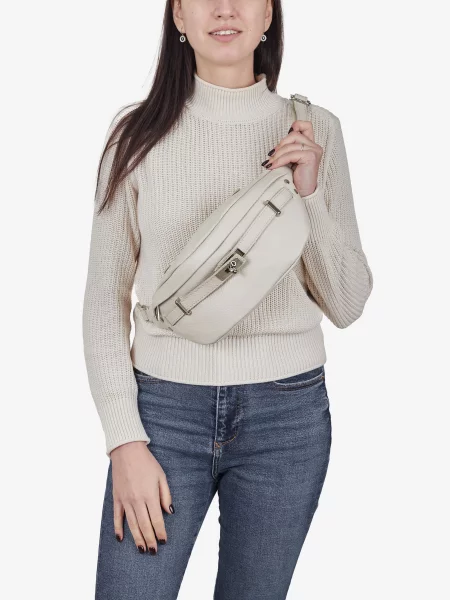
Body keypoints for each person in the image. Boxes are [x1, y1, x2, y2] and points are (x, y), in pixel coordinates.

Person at [82, 1, 373, 598]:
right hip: (163, 414)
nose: (224, 9)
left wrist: (306, 194)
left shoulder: (315, 130)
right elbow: (104, 300)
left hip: (287, 418)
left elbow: (347, 302)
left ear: (268, 15)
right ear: (178, 16)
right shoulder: (135, 135)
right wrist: (124, 441)